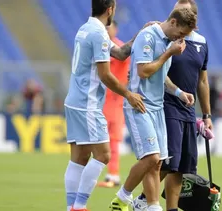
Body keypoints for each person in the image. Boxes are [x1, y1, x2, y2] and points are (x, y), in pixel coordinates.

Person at [63, 0, 151, 210]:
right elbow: (105, 75)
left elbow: (120, 54)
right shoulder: (99, 34)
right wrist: (128, 94)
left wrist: (140, 34)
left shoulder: (85, 29)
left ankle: (71, 208)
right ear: (110, 9)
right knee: (103, 155)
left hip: (74, 100)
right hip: (88, 103)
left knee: (79, 157)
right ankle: (79, 206)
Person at [110, 7, 197, 211]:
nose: (181, 38)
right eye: (182, 33)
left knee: (158, 163)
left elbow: (161, 74)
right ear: (174, 22)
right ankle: (122, 197)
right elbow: (144, 71)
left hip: (157, 107)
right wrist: (168, 54)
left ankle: (152, 206)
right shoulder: (148, 36)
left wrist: (179, 93)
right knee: (151, 157)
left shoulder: (168, 41)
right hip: (139, 104)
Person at [132, 1, 213, 211]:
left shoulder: (201, 43)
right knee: (166, 161)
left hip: (187, 107)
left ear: (193, 19)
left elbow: (202, 80)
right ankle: (144, 200)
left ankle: (170, 208)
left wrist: (206, 114)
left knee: (181, 166)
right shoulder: (165, 36)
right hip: (165, 105)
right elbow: (152, 68)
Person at [98, 20, 130, 188]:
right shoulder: (102, 47)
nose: (107, 29)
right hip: (104, 99)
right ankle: (110, 174)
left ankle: (113, 175)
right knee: (103, 138)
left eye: (109, 26)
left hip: (116, 99)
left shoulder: (119, 49)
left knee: (113, 138)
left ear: (115, 29)